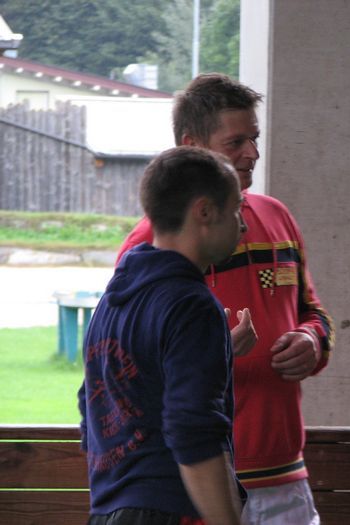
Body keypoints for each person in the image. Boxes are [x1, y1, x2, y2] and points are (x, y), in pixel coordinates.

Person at [116, 73, 334, 524]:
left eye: (254, 139)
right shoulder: (149, 245)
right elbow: (123, 371)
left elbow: (314, 313)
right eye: (236, 142)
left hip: (286, 476)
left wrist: (312, 341)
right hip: (199, 482)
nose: (252, 153)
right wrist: (210, 353)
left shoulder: (278, 216)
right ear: (192, 146)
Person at [78, 146, 246, 525]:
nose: (243, 225)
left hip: (108, 509)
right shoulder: (192, 305)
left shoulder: (113, 300)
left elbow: (91, 407)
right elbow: (194, 433)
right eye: (236, 209)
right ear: (205, 211)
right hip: (170, 510)